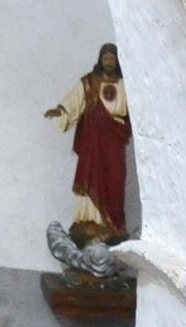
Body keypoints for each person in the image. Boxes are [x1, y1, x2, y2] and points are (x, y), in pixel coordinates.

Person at [45, 44, 133, 244]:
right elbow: (74, 100)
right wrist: (60, 110)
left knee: (115, 179)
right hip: (93, 143)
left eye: (112, 59)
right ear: (100, 60)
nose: (109, 62)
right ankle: (90, 221)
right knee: (92, 176)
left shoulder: (126, 85)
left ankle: (113, 227)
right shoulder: (89, 83)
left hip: (114, 141)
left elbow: (135, 111)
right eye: (105, 58)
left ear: (117, 61)